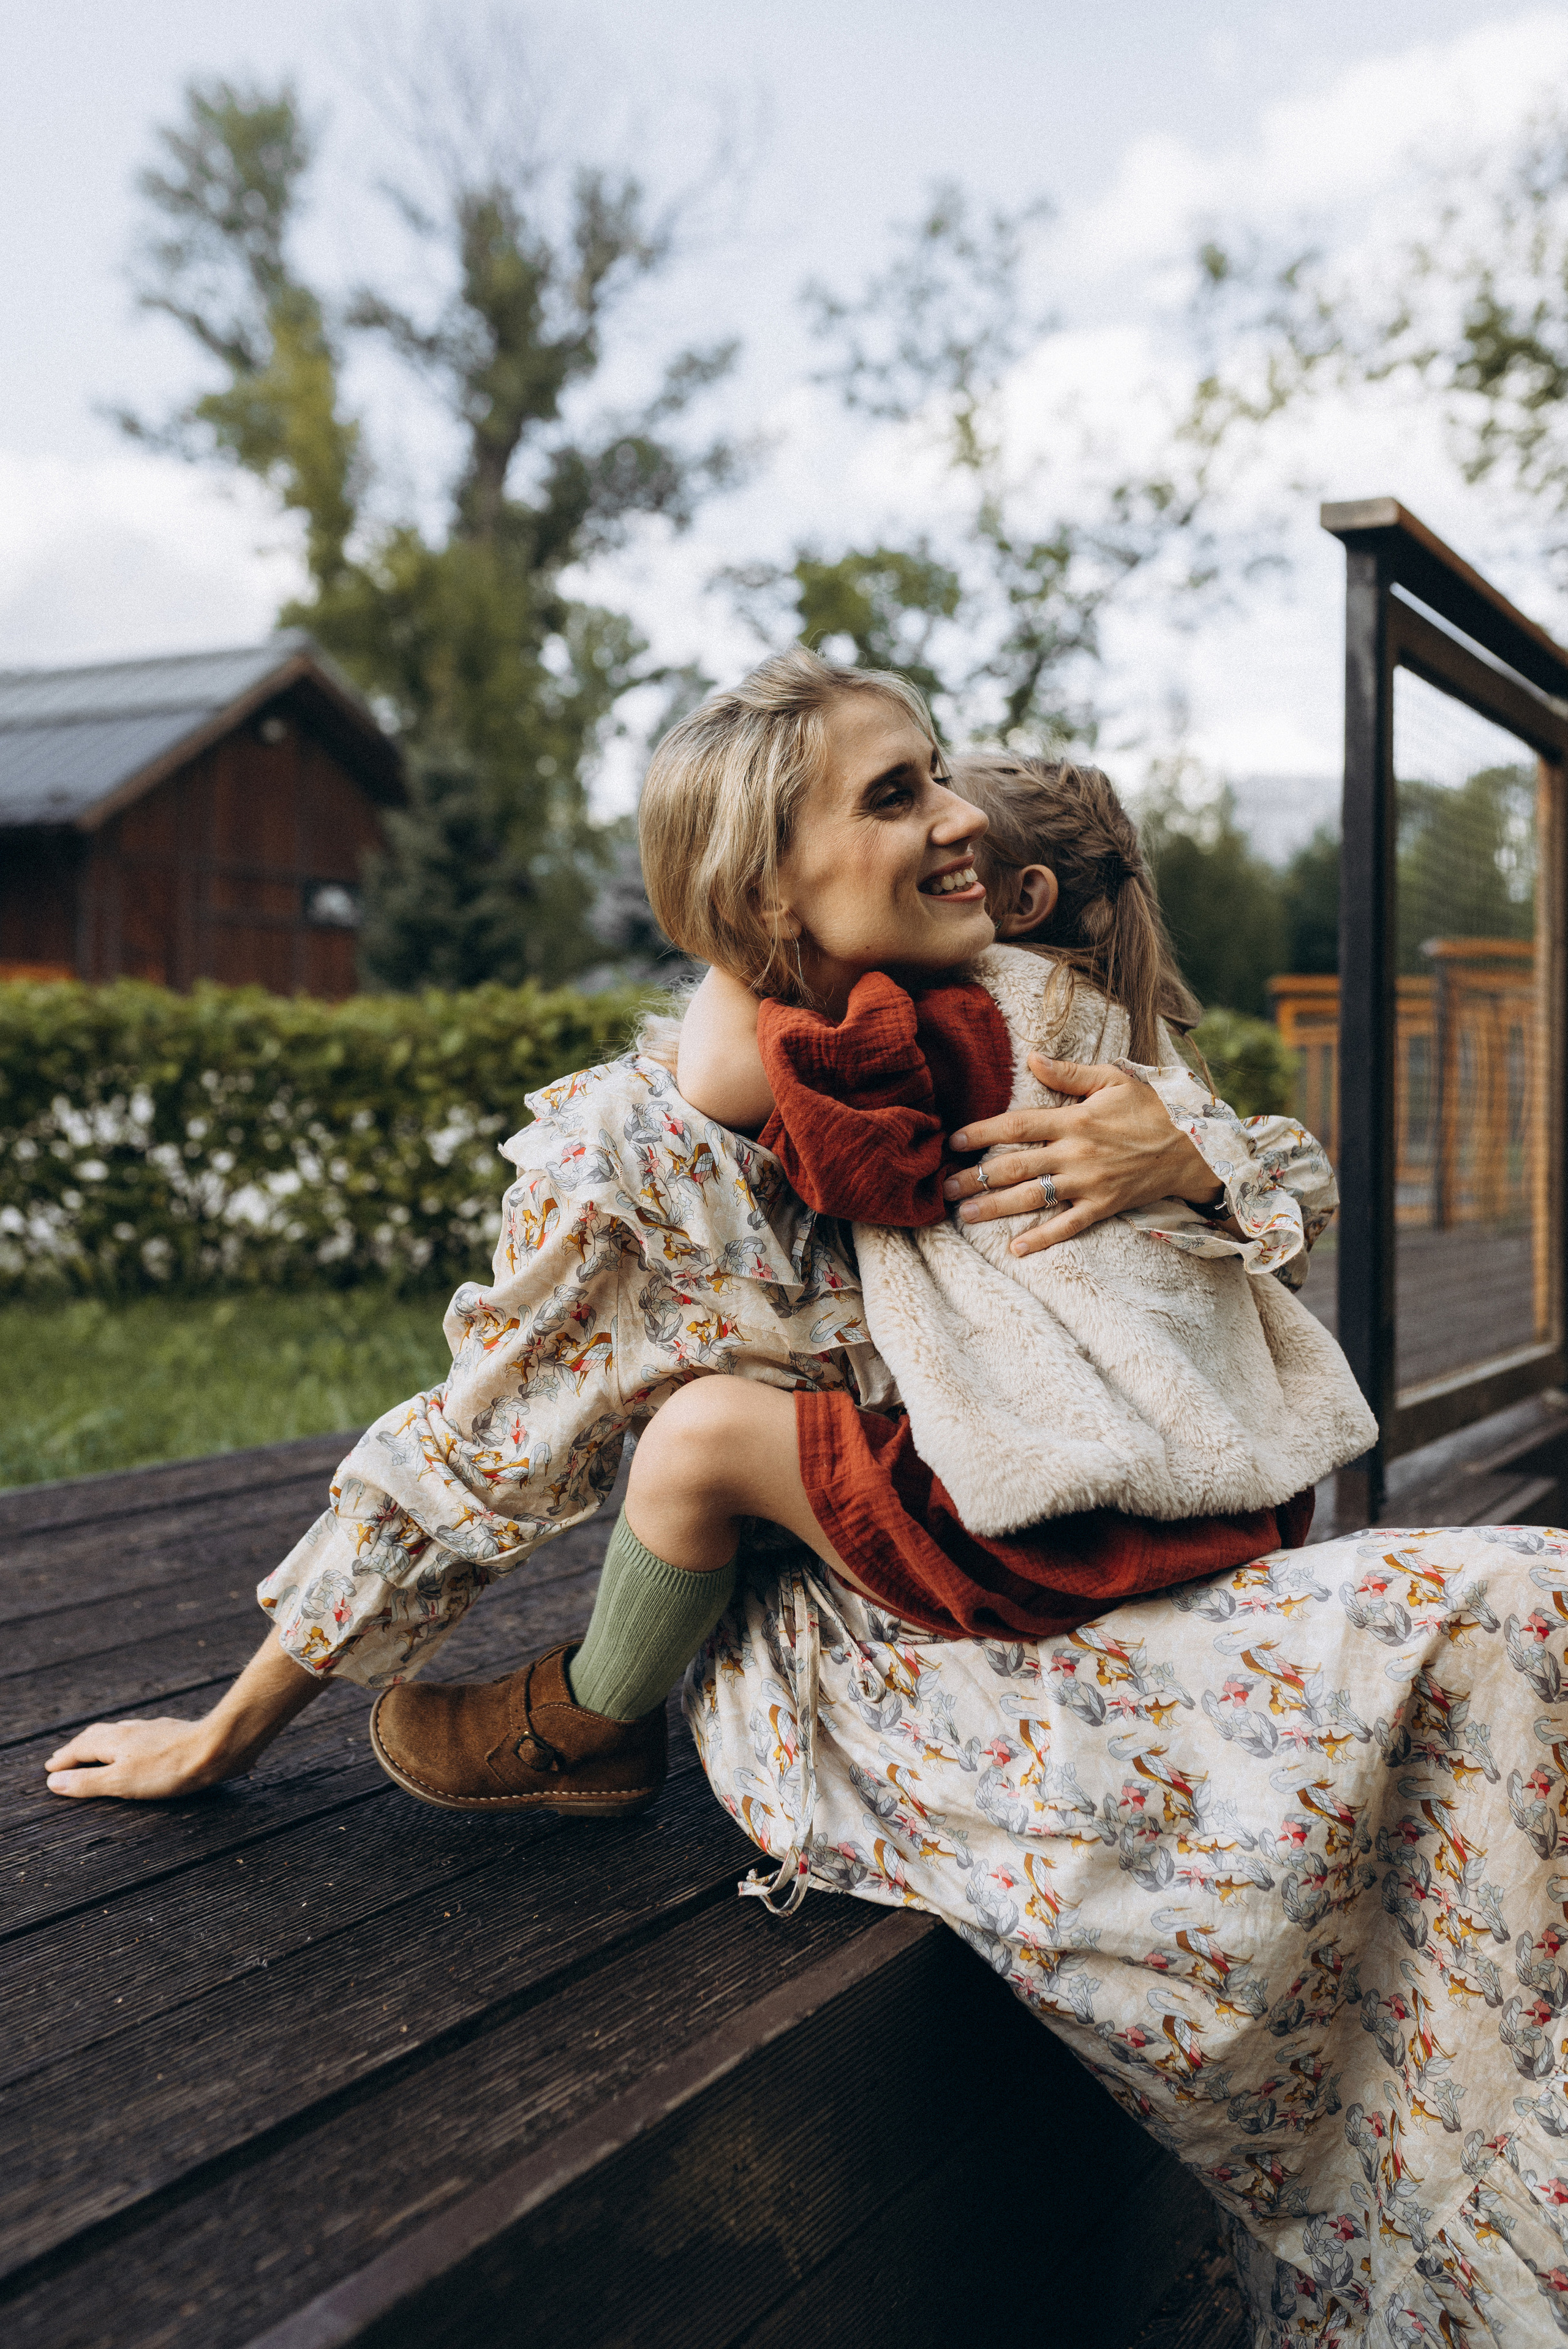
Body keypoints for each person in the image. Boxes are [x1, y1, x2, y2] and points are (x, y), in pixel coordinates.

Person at [43, 651, 1568, 2337]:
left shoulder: (1022, 1012)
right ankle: (590, 1721)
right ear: (768, 884)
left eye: (941, 772)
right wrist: (227, 1733)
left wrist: (1186, 1154)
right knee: (1510, 1611)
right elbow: (464, 1453)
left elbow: (1285, 1180)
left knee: (1531, 1614)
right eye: (898, 794)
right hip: (871, 1648)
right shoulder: (646, 1155)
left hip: (1083, 1543)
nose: (963, 815)